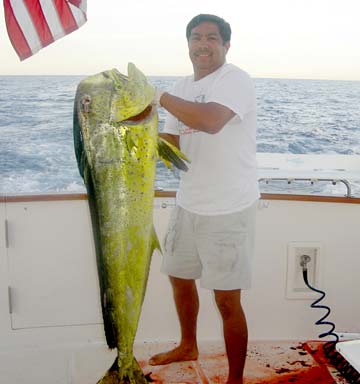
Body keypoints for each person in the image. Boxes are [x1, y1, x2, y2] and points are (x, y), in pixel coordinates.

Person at [150, 14, 260, 384]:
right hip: (188, 202)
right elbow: (172, 147)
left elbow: (212, 121)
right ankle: (187, 344)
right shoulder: (182, 85)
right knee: (179, 278)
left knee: (227, 300)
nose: (203, 44)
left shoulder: (235, 80)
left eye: (212, 38)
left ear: (226, 45)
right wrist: (136, 127)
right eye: (196, 37)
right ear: (188, 44)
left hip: (227, 207)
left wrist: (159, 97)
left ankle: (235, 379)